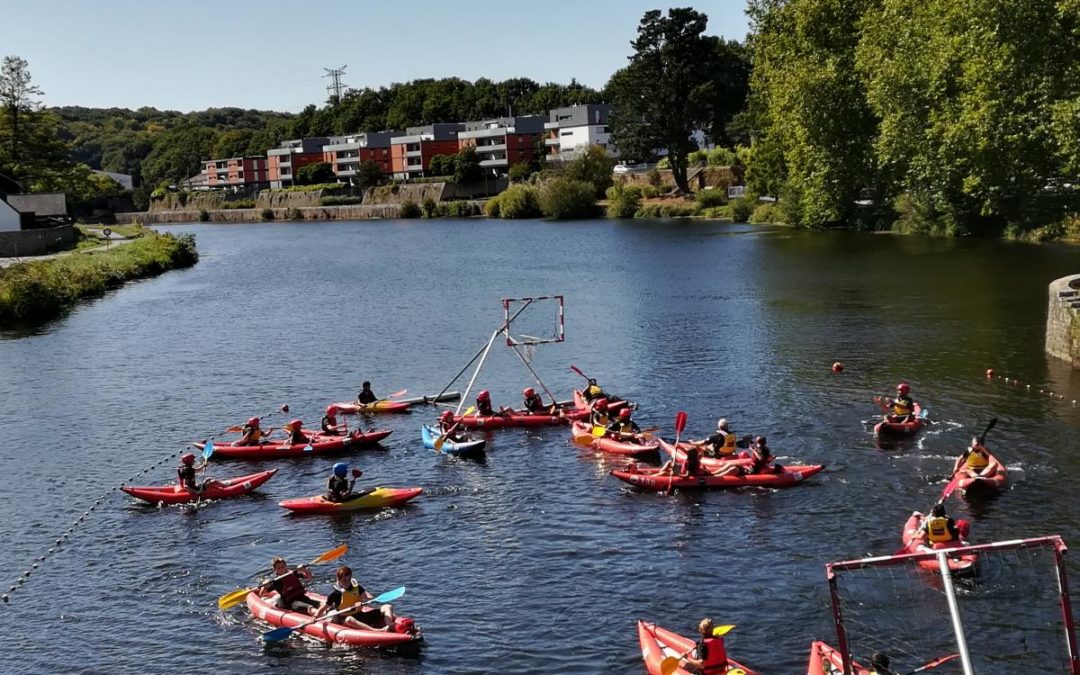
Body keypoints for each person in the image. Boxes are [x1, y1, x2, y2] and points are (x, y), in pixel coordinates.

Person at [313, 565, 395, 631]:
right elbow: (323, 608)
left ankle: (389, 626)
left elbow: (367, 597)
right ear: (338, 579)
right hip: (346, 619)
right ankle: (375, 631)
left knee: (388, 606)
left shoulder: (356, 587)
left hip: (361, 615)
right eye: (344, 580)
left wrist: (366, 600)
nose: (347, 583)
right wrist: (315, 617)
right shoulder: (335, 594)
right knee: (349, 619)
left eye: (349, 579)